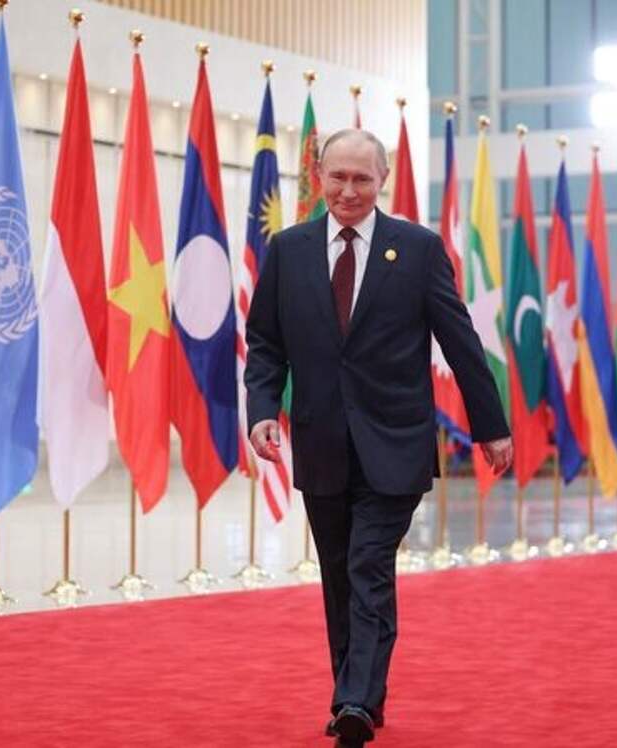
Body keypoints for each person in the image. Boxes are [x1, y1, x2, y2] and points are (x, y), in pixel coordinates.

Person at [244, 128, 512, 747]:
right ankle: (359, 694)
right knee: (340, 574)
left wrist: (490, 426)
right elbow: (265, 343)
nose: (348, 190)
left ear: (382, 181)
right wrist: (262, 410)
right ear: (319, 176)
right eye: (338, 176)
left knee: (368, 564)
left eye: (362, 178)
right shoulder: (288, 251)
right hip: (320, 442)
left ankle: (355, 705)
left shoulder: (417, 249)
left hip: (396, 441)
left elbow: (460, 340)